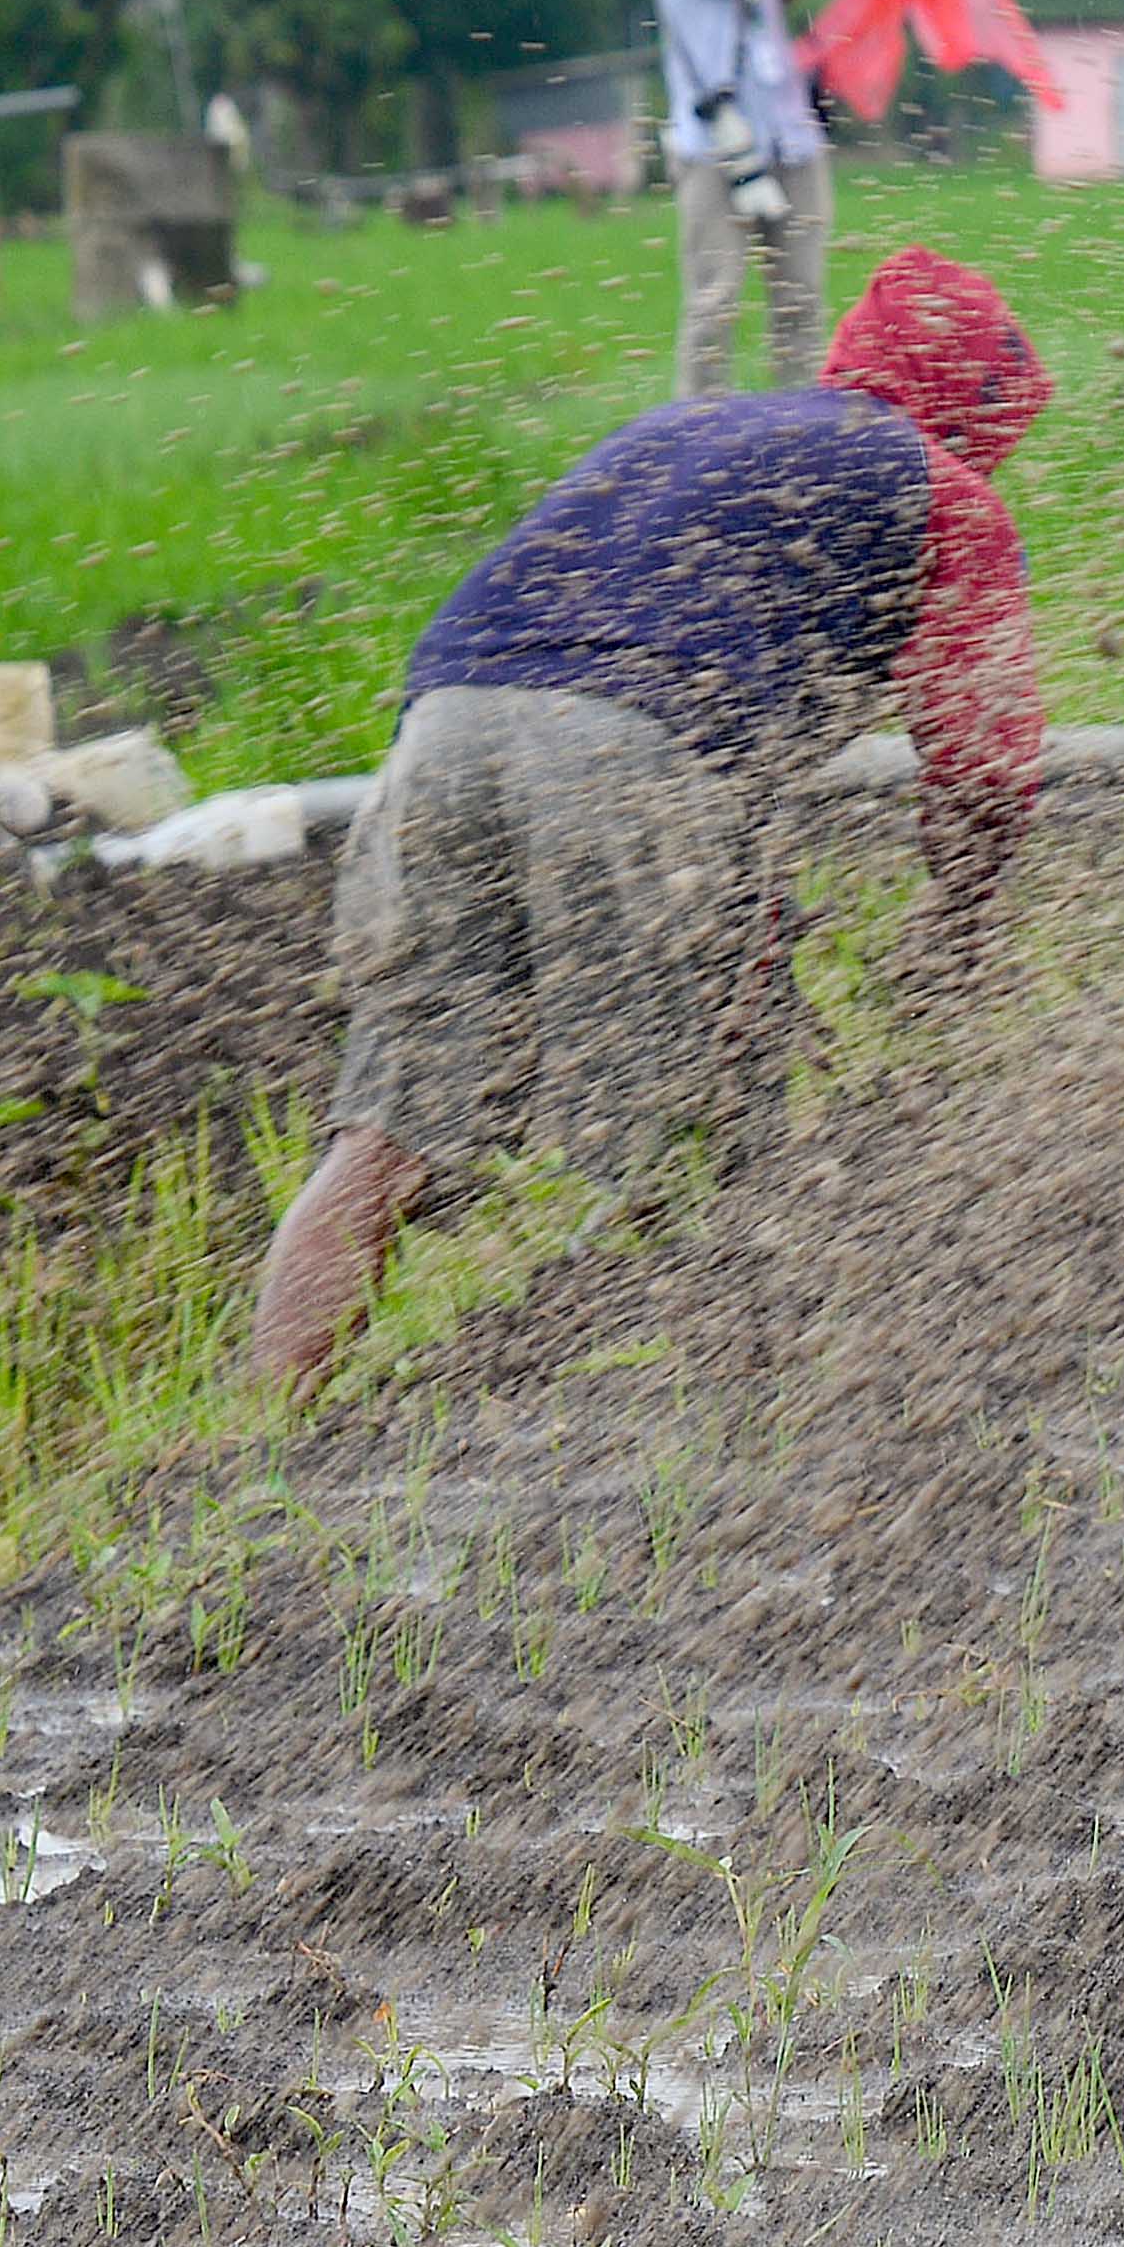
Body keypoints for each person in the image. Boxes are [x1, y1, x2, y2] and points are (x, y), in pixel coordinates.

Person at [249, 248, 1052, 1396]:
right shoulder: (941, 488)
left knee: (386, 1129)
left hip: (441, 736)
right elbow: (980, 762)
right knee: (710, 1134)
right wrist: (960, 917)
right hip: (625, 760)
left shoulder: (690, 427)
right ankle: (706, 1428)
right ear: (974, 404)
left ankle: (259, 1433)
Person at [651, 0, 895, 399]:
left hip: (788, 135)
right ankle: (701, 434)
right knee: (716, 299)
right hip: (719, 145)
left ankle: (799, 430)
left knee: (802, 299)